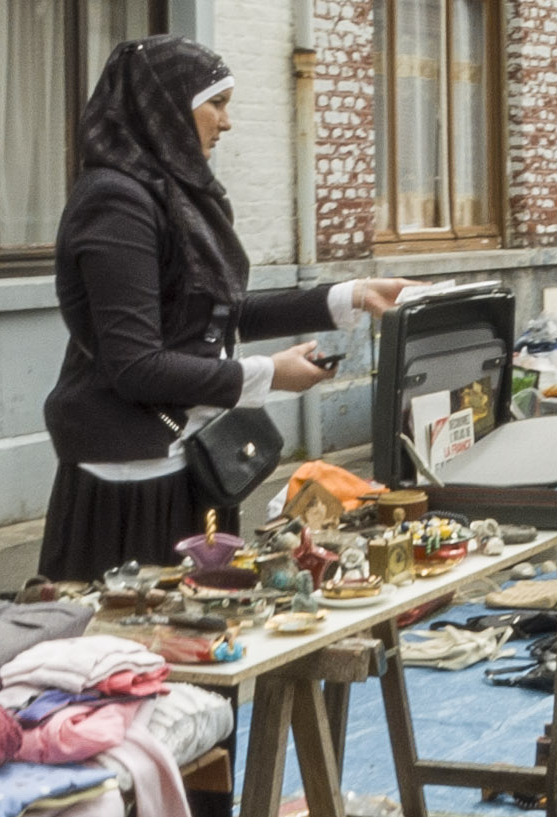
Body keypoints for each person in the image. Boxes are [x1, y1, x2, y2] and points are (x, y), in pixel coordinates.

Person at [39, 35, 422, 582]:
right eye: (215, 104)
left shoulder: (170, 193)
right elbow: (135, 365)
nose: (226, 122)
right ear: (167, 108)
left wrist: (353, 295)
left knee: (202, 636)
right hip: (130, 479)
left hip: (187, 459)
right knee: (147, 651)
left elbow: (215, 312)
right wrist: (267, 375)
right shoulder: (115, 203)